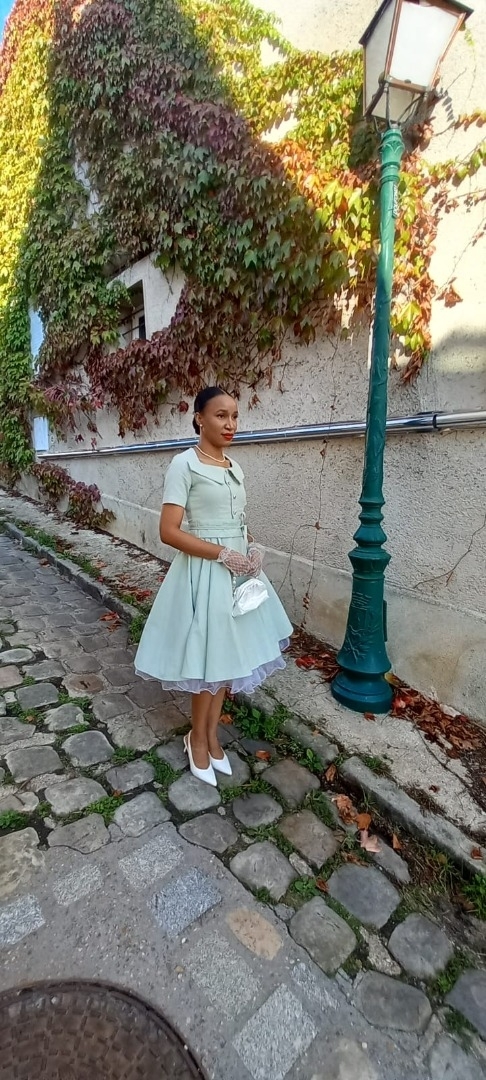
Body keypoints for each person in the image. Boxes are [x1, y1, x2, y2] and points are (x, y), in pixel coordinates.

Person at [134, 386, 293, 786]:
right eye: (221, 415)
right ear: (199, 418)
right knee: (209, 659)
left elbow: (237, 521)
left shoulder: (233, 467)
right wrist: (221, 553)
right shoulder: (184, 465)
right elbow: (169, 531)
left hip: (238, 574)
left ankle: (210, 735)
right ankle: (197, 739)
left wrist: (252, 546)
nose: (230, 424)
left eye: (235, 416)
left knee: (227, 660)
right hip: (204, 573)